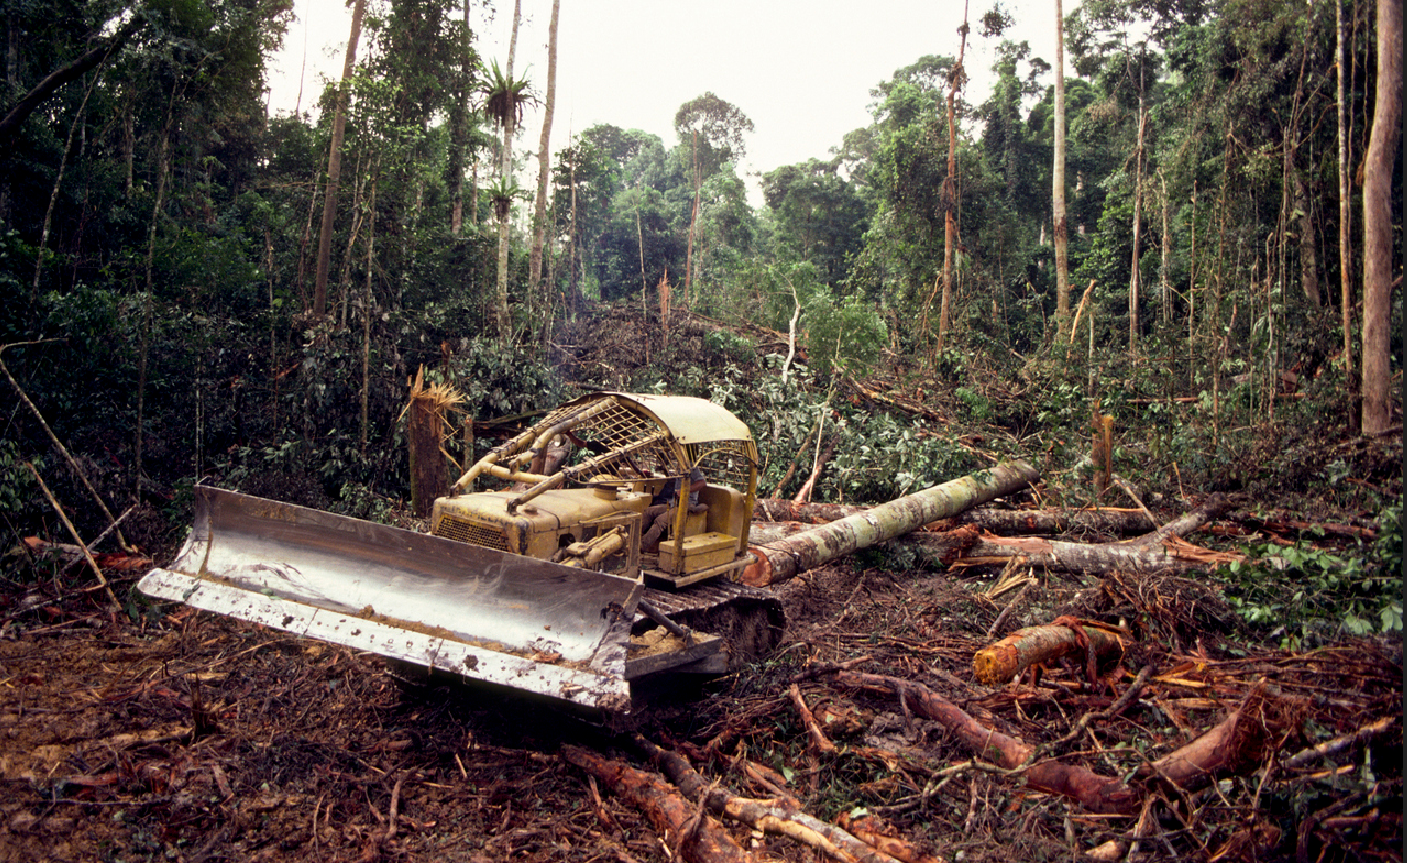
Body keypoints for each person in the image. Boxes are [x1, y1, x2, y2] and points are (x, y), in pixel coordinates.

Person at [641, 466, 707, 551]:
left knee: (661, 520)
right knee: (648, 512)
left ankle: (642, 546)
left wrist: (684, 491)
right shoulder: (680, 467)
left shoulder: (692, 468)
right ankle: (634, 539)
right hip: (674, 503)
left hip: (686, 505)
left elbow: (702, 483)